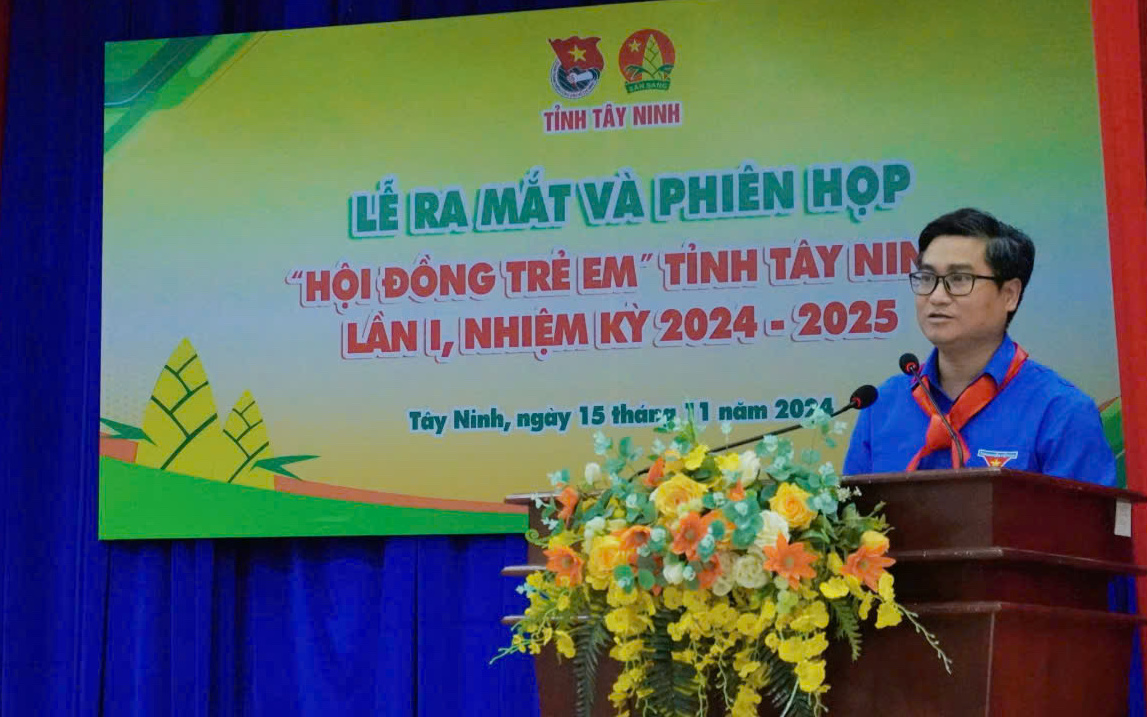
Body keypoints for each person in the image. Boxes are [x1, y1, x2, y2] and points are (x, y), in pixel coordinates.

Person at [843, 207, 1116, 486]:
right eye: (927, 278)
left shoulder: (1061, 412)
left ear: (1009, 295)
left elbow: (1082, 516)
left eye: (959, 279)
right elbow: (850, 513)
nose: (937, 296)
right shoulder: (882, 406)